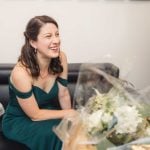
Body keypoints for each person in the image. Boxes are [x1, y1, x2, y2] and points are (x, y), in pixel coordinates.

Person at [2, 15, 76, 150]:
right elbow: (35, 115)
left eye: (57, 34)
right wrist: (69, 113)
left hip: (48, 112)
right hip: (20, 121)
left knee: (76, 130)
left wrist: (70, 120)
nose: (56, 40)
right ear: (33, 42)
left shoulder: (61, 57)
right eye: (48, 36)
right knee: (55, 134)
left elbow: (63, 94)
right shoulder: (21, 72)